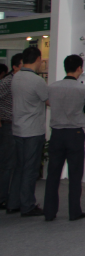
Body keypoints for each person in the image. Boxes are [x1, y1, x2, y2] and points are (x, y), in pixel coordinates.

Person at [43, 55, 85, 222]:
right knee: (75, 174)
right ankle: (74, 211)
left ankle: (49, 212)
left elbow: (48, 103)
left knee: (53, 174)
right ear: (79, 68)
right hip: (75, 134)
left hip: (57, 133)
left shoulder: (52, 87)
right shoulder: (83, 89)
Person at [8, 47, 47, 217]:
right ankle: (28, 205)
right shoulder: (37, 80)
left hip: (17, 129)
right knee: (30, 169)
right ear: (38, 59)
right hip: (32, 130)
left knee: (19, 168)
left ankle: (13, 203)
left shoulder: (16, 77)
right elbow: (48, 100)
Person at [0, 53, 22, 210]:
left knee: (15, 164)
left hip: (19, 126)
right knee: (7, 164)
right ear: (14, 67)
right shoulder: (7, 82)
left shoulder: (21, 82)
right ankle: (2, 198)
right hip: (8, 126)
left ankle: (12, 198)